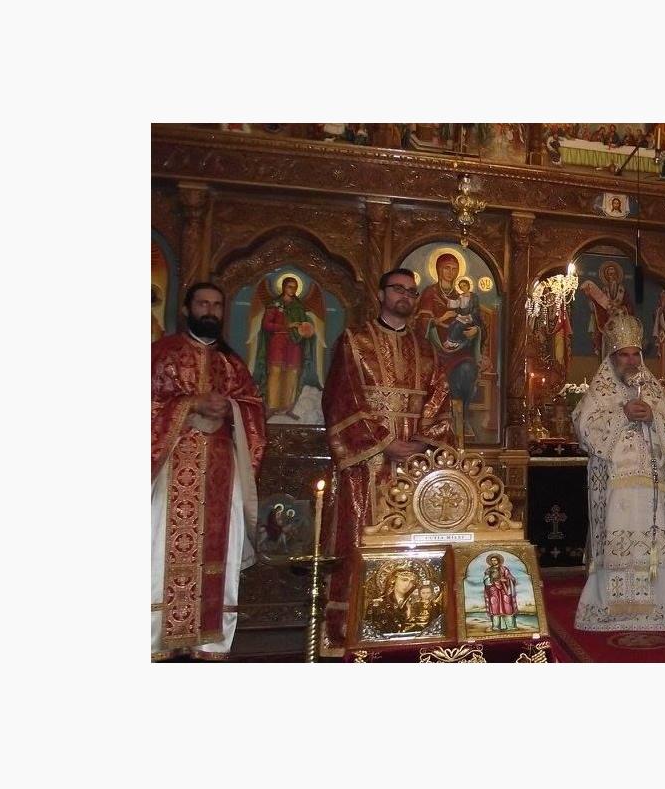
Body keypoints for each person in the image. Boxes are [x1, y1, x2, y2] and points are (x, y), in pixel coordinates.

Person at [321, 268, 454, 655]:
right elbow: (341, 400)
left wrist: (421, 442)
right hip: (365, 467)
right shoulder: (355, 341)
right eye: (398, 289)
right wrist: (383, 443)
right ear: (381, 294)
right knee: (358, 541)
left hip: (415, 468)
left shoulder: (427, 350)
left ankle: (411, 628)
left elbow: (440, 405)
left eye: (411, 291)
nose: (405, 296)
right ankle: (349, 634)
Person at [151, 282, 266, 660]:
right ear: (186, 309)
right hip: (171, 466)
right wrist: (190, 404)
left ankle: (209, 641)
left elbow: (253, 409)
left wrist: (231, 408)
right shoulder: (162, 353)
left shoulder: (232, 364)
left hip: (220, 469)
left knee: (221, 549)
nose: (210, 311)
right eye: (203, 303)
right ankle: (154, 639)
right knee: (158, 546)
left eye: (217, 305)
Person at [573, 314, 665, 631]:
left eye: (636, 354)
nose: (632, 361)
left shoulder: (652, 388)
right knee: (613, 541)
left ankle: (653, 610)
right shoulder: (600, 391)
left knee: (650, 546)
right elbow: (584, 427)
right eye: (624, 355)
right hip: (615, 486)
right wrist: (622, 413)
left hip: (649, 488)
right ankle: (609, 610)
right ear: (612, 356)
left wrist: (654, 417)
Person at [414, 253, 485, 443]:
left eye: (454, 269)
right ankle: (434, 421)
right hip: (433, 348)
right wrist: (440, 319)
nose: (450, 272)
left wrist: (476, 331)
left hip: (460, 349)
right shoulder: (430, 293)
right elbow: (421, 323)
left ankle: (462, 416)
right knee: (435, 373)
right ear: (438, 269)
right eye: (446, 268)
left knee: (468, 370)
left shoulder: (462, 296)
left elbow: (478, 322)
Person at [252, 275, 322, 417]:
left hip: (294, 345)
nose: (292, 290)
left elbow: (304, 324)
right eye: (290, 287)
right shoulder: (274, 304)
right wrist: (287, 326)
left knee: (292, 374)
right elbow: (266, 325)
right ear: (283, 287)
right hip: (278, 343)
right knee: (275, 373)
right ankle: (272, 407)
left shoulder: (298, 306)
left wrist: (306, 329)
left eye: (295, 288)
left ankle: (287, 408)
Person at [483, 554, 518, 631]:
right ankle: (496, 626)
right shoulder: (488, 570)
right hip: (493, 590)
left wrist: (506, 580)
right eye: (492, 560)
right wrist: (491, 580)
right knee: (495, 607)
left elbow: (511, 578)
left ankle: (510, 626)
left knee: (507, 607)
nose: (493, 562)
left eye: (495, 560)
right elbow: (486, 581)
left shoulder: (504, 569)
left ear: (498, 560)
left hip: (504, 590)